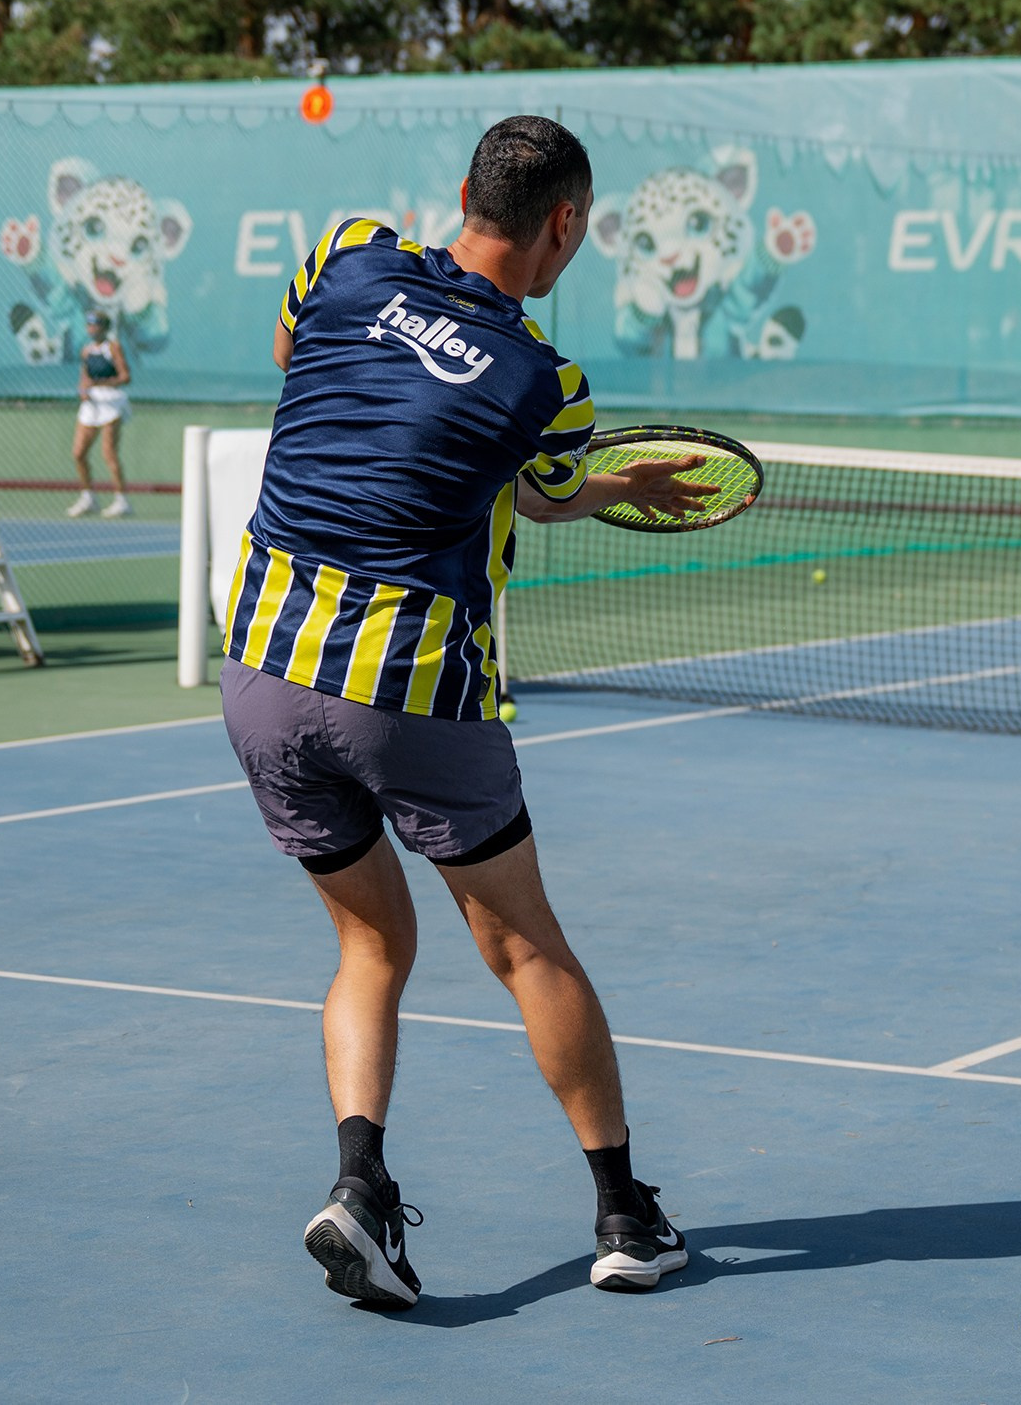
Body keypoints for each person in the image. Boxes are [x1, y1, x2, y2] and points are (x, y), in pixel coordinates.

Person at [219, 116, 714, 1310]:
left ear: (463, 193)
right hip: (412, 689)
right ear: (565, 224)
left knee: (370, 945)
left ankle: (359, 1188)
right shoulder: (547, 381)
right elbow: (543, 498)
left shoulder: (343, 254)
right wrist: (622, 486)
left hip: (262, 676)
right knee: (524, 947)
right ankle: (625, 1216)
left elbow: (294, 355)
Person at [69, 310, 132, 517]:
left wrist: (100, 383)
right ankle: (88, 498)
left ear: (104, 328)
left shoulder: (113, 348)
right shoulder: (86, 351)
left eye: (96, 324)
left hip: (111, 403)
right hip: (91, 405)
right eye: (89, 324)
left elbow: (125, 377)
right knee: (78, 453)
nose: (92, 328)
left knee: (109, 453)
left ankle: (121, 500)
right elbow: (84, 377)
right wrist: (83, 390)